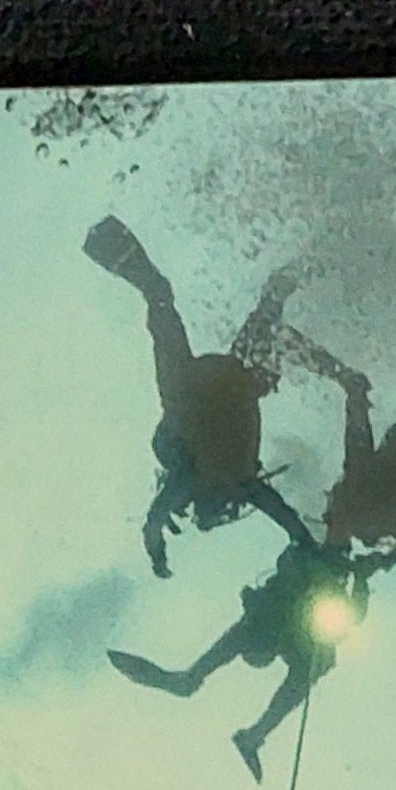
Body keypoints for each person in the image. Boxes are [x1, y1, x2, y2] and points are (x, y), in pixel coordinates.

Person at [80, 216, 314, 576]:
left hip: (201, 387)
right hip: (211, 385)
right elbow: (287, 519)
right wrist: (307, 544)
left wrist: (158, 556)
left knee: (173, 297)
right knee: (171, 297)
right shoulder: (235, 484)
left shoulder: (213, 482)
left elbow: (154, 524)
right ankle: (312, 258)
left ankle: (309, 260)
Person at [109, 536, 396, 778]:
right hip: (298, 610)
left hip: (301, 607)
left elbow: (350, 610)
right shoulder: (268, 623)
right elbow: (352, 611)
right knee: (307, 659)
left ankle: (250, 732)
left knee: (310, 659)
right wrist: (358, 575)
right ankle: (249, 732)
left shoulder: (258, 625)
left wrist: (357, 574)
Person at [288, 294, 396, 554]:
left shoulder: (368, 523)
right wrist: (353, 393)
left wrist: (380, 561)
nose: (329, 494)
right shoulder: (356, 496)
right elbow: (357, 441)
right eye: (329, 505)